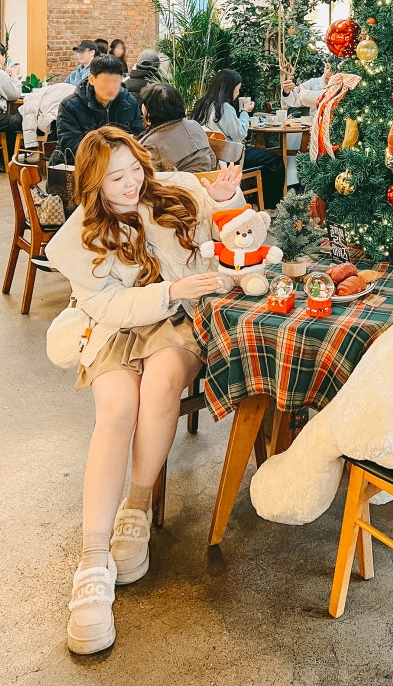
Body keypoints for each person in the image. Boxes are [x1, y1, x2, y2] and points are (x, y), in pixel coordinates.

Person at [44, 126, 245, 654]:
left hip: (182, 319)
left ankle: (135, 510)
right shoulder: (80, 234)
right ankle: (92, 560)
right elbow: (105, 304)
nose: (132, 182)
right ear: (93, 184)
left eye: (135, 168)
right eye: (116, 178)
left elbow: (234, 240)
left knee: (159, 386)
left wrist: (227, 201)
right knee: (115, 409)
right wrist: (169, 288)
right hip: (116, 325)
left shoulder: (180, 189)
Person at [191, 68, 284, 208]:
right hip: (230, 156)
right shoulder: (223, 108)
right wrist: (245, 112)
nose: (238, 93)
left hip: (212, 157)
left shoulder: (201, 105)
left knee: (265, 157)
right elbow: (240, 134)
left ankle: (255, 200)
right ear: (230, 89)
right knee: (275, 161)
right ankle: (271, 206)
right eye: (237, 89)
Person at [55, 55, 144, 158]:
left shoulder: (129, 103)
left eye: (116, 81)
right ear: (92, 79)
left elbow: (139, 137)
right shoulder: (70, 106)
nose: (111, 87)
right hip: (80, 163)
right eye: (106, 81)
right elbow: (71, 148)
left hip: (119, 162)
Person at [138, 84, 217, 173]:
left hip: (176, 181)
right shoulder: (195, 125)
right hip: (208, 179)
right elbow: (212, 159)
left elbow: (148, 176)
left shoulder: (150, 144)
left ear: (150, 111)